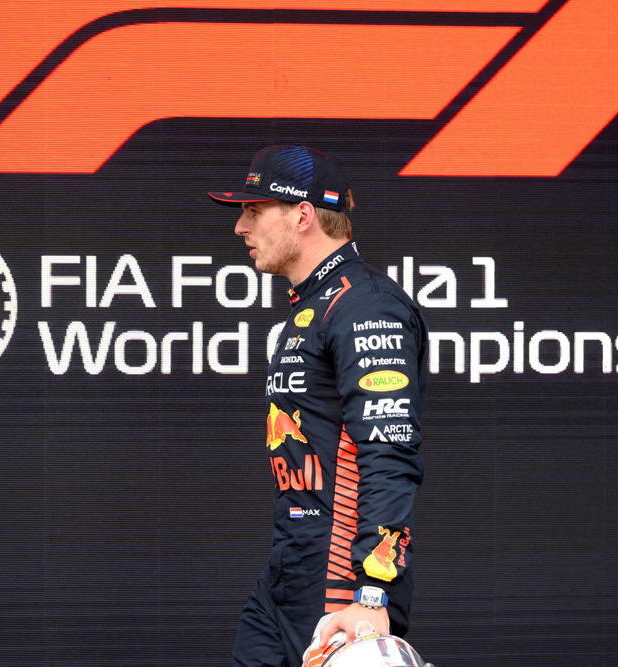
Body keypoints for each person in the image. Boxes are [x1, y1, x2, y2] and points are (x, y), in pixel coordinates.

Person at [208, 145, 428, 667]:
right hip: (289, 567)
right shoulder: (311, 306)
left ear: (303, 215)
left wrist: (372, 593)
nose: (241, 227)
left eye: (254, 211)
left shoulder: (367, 305)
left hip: (344, 577)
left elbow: (389, 453)